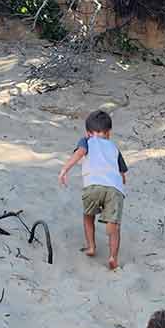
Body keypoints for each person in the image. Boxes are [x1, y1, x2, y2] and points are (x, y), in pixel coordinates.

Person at [57, 109, 128, 270]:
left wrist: (64, 170)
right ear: (109, 133)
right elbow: (122, 174)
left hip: (93, 185)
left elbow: (80, 153)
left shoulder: (86, 141)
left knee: (88, 216)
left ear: (88, 133)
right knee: (114, 226)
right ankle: (113, 257)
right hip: (114, 189)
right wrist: (120, 182)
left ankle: (91, 247)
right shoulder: (114, 148)